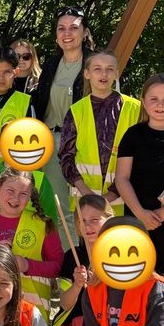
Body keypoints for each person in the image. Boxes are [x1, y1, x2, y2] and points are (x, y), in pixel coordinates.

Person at [116, 72, 164, 293]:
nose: (160, 105)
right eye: (154, 98)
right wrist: (141, 214)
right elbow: (122, 179)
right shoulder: (133, 135)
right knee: (141, 282)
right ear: (144, 102)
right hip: (138, 219)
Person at [0, 167, 63, 319]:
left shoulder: (43, 225)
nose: (16, 198)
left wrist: (26, 265)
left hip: (32, 314)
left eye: (23, 194)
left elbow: (57, 266)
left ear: (30, 196)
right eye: (10, 191)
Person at [33, 6, 95, 241]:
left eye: (73, 28)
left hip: (82, 144)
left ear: (84, 32)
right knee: (56, 208)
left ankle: (84, 265)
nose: (67, 33)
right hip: (49, 143)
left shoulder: (95, 63)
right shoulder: (49, 66)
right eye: (61, 28)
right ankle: (66, 267)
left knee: (84, 210)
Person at [60, 50, 140, 213]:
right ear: (87, 74)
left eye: (110, 69)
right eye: (97, 69)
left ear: (117, 74)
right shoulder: (76, 110)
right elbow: (66, 156)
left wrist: (110, 195)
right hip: (85, 200)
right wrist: (87, 194)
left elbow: (142, 156)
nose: (104, 74)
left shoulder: (135, 108)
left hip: (124, 201)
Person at [52, 194, 114, 326]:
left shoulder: (118, 253)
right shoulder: (72, 256)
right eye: (82, 221)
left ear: (109, 219)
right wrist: (77, 285)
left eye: (94, 220)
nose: (87, 226)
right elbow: (65, 304)